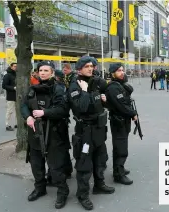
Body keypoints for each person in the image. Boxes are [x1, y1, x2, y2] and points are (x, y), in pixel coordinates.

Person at [20, 61, 70, 209]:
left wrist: (45, 112)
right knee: (36, 164)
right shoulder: (33, 89)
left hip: (53, 133)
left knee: (55, 166)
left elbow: (63, 110)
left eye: (46, 70)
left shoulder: (58, 89)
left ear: (52, 72)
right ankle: (40, 188)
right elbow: (23, 105)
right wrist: (27, 117)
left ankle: (62, 191)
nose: (42, 73)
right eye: (40, 70)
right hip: (35, 132)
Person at [68, 56, 114, 210]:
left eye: (92, 66)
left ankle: (99, 185)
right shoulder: (75, 85)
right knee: (84, 165)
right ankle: (83, 194)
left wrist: (103, 99)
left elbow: (102, 105)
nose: (90, 68)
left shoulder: (95, 82)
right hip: (85, 131)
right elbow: (81, 107)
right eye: (86, 66)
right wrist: (86, 92)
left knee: (101, 159)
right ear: (79, 68)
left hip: (99, 130)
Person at [105, 63, 136, 185]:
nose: (122, 72)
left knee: (121, 145)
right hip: (118, 121)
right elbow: (122, 105)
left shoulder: (120, 84)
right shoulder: (113, 87)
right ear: (113, 73)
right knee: (120, 148)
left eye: (123, 70)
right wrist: (133, 113)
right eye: (119, 71)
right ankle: (118, 174)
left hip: (123, 120)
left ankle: (120, 168)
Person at [2, 63, 17, 131]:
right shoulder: (7, 75)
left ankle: (17, 123)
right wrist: (13, 88)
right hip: (11, 96)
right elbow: (4, 86)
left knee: (18, 111)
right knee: (10, 111)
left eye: (17, 66)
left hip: (18, 96)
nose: (16, 67)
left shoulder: (17, 75)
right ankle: (7, 125)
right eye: (14, 66)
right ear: (11, 67)